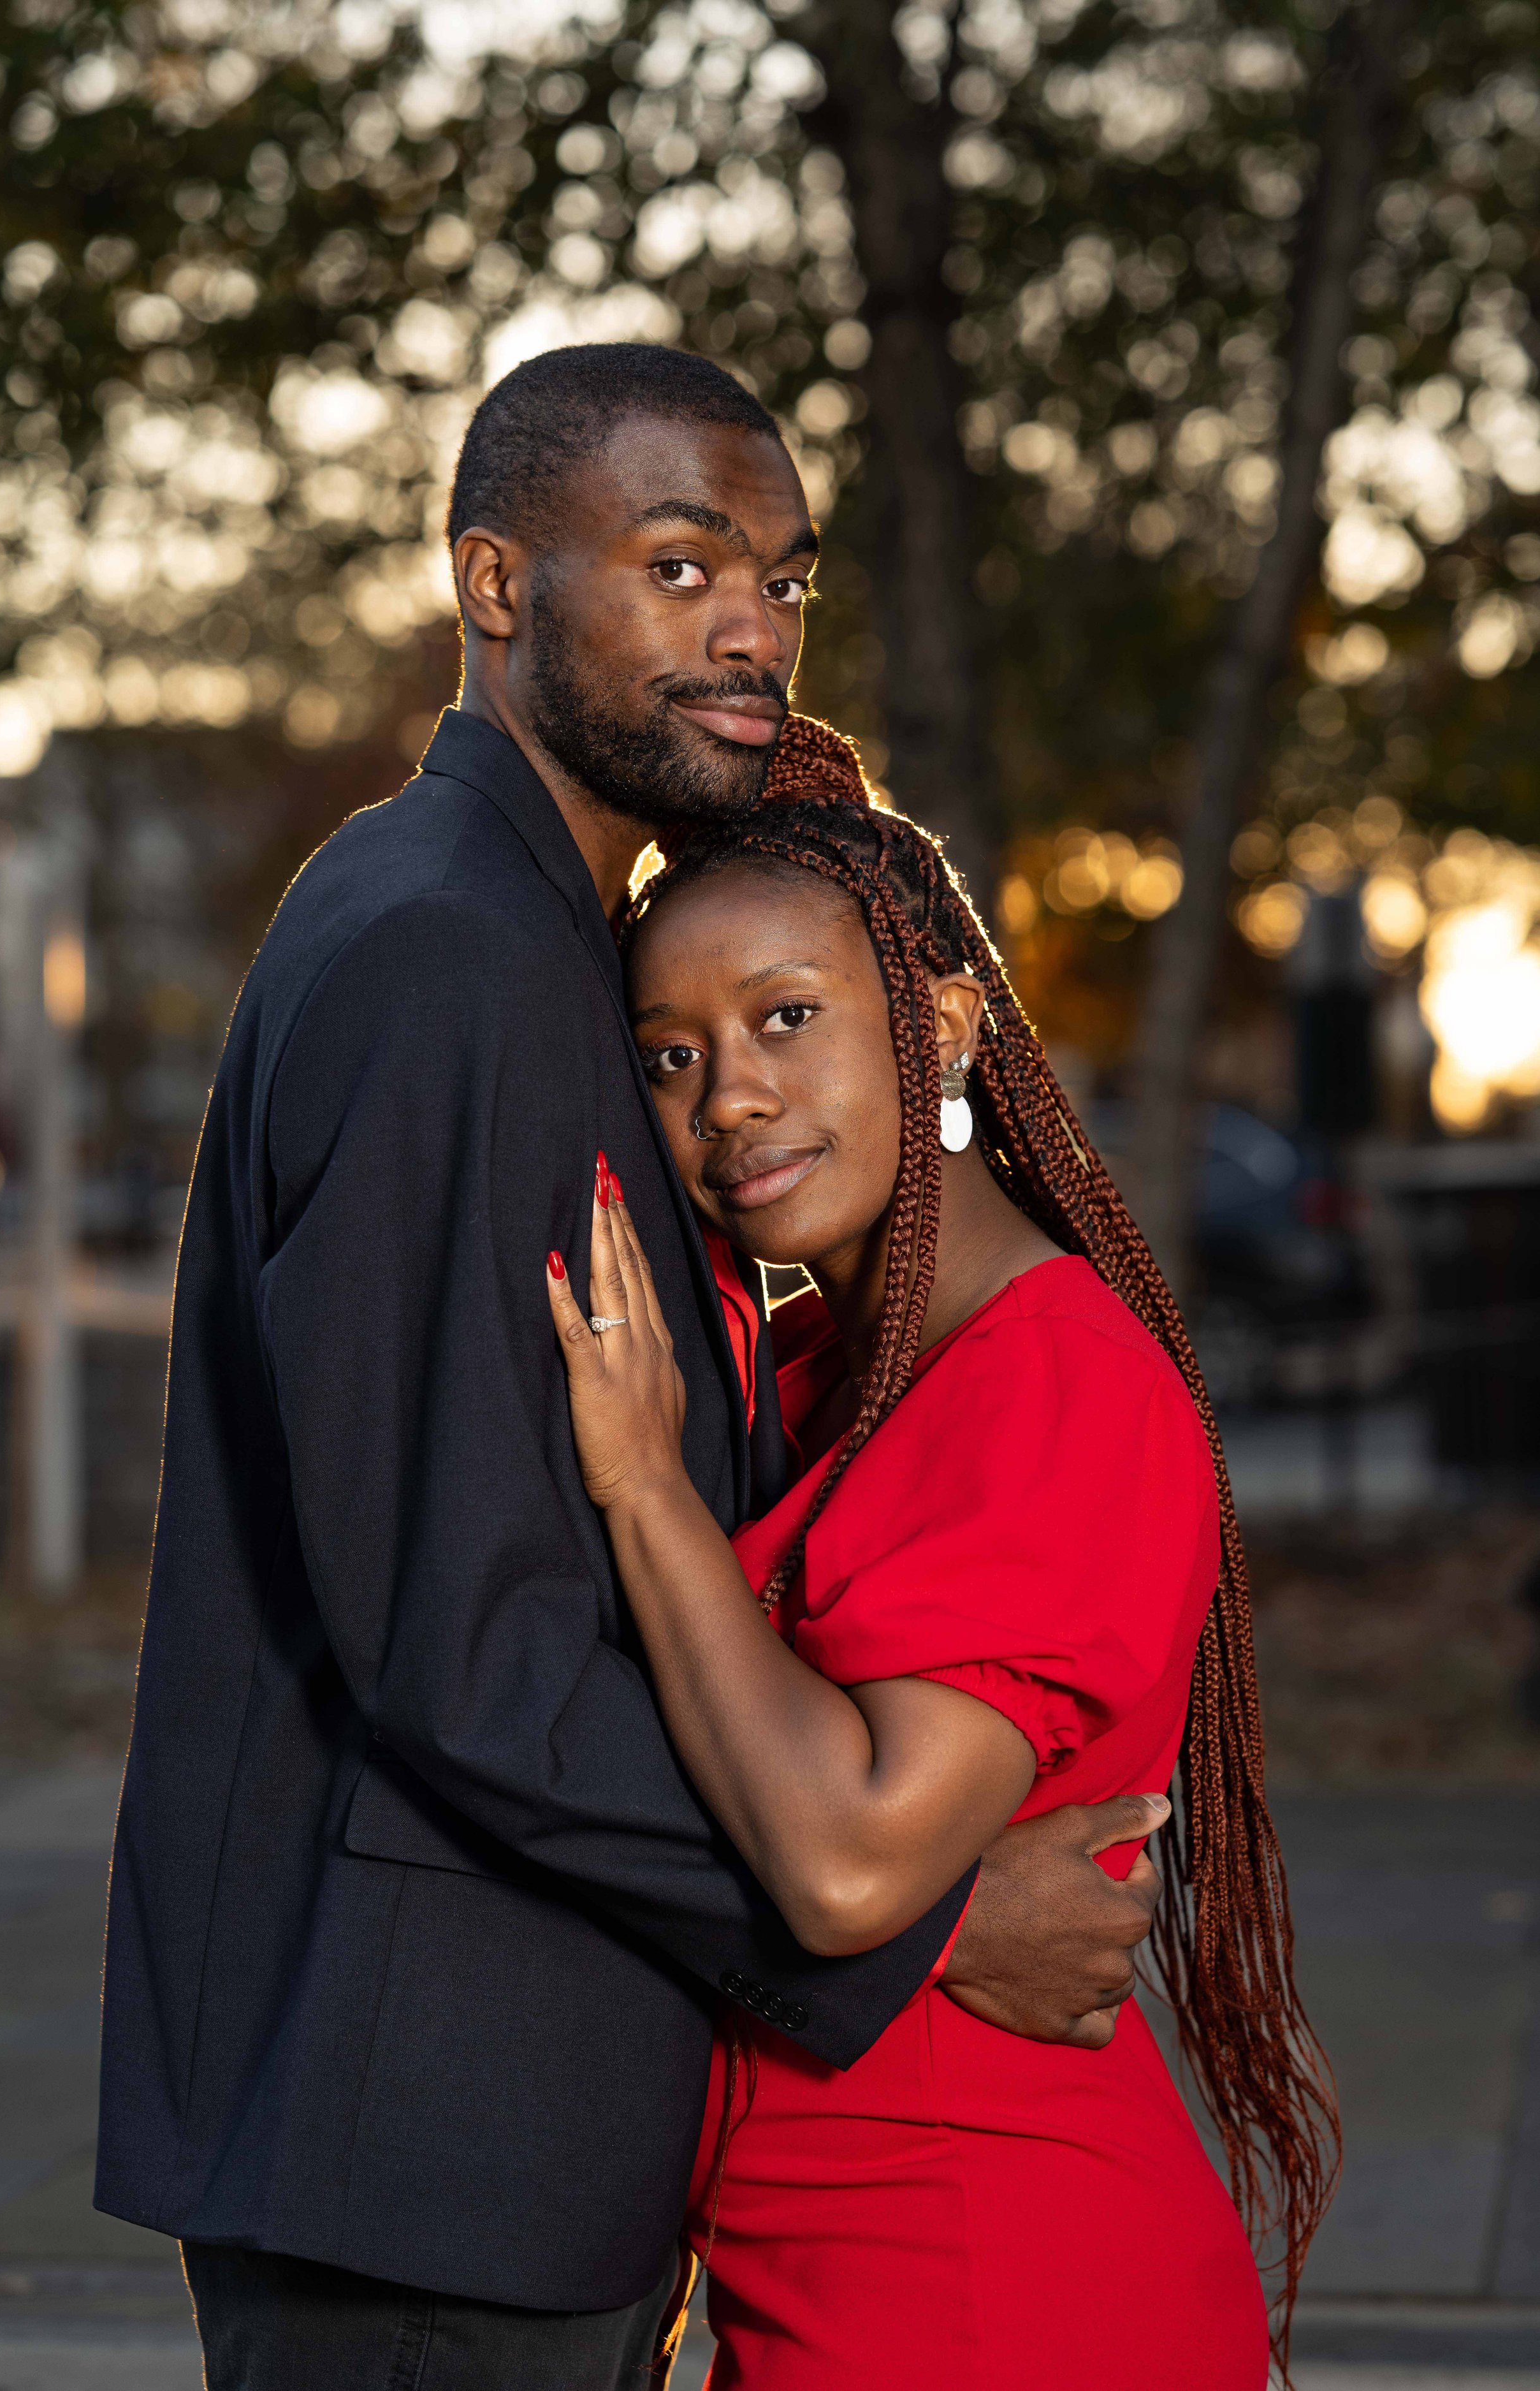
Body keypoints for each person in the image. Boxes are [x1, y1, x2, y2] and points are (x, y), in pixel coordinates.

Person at [95, 347, 1173, 2391]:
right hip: (428, 2139)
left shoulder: (529, 941)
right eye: (678, 567)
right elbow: (468, 1648)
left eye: (780, 575)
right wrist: (923, 1931)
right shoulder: (452, 960)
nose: (751, 625)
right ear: (494, 582)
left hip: (509, 2129)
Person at [547, 714, 1340, 2390]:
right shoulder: (844, 1370)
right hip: (834, 2285)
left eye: (784, 1018)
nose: (729, 1093)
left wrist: (643, 1494)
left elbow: (844, 1861)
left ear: (946, 1025)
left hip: (990, 2291)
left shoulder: (1048, 1379)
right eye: (669, 1054)